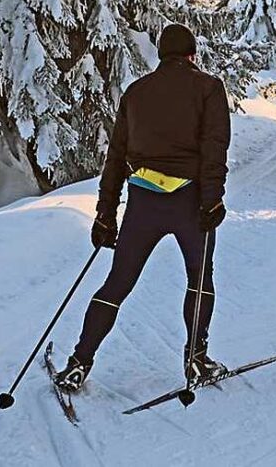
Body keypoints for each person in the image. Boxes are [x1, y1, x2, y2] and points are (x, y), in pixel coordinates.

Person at [54, 23, 232, 393]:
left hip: (143, 202)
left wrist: (106, 214)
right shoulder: (209, 88)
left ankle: (79, 363)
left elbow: (115, 158)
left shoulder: (135, 92)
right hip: (190, 200)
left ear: (161, 55)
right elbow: (214, 148)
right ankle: (196, 360)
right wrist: (212, 199)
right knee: (199, 279)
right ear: (192, 55)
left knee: (117, 283)